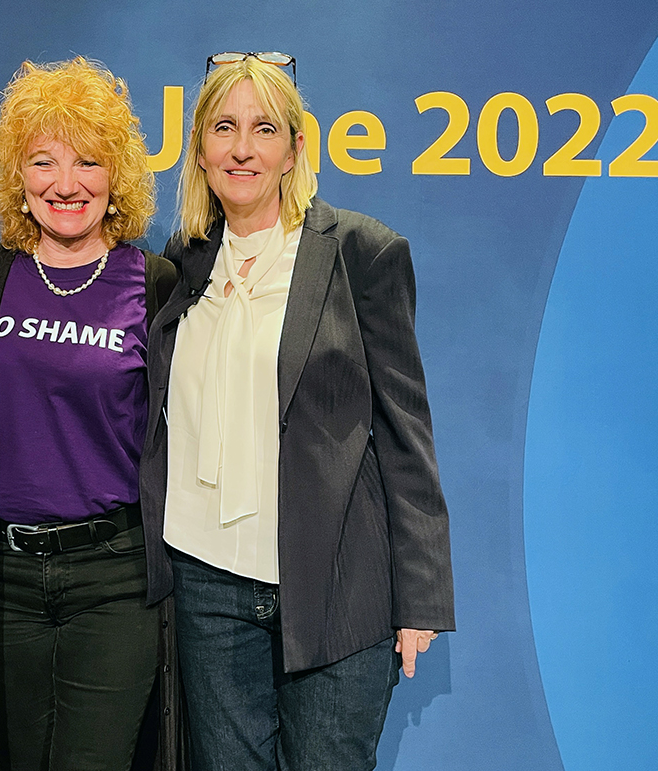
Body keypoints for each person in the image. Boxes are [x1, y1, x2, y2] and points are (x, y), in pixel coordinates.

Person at [139, 52, 455, 771]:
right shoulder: (184, 261)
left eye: (264, 129)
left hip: (338, 585)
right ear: (200, 149)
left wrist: (422, 597)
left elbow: (405, 432)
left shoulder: (361, 252)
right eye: (224, 128)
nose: (242, 148)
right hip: (208, 587)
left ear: (294, 148)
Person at [0, 58, 180, 771]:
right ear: (17, 180)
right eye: (44, 162)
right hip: (5, 580)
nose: (66, 184)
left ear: (117, 177)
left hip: (112, 580)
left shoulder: (153, 284)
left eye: (88, 162)